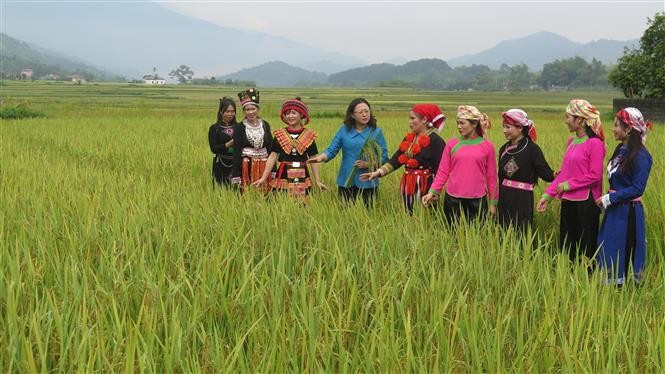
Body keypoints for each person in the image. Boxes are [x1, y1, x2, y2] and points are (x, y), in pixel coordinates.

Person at [537, 99, 605, 262]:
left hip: (586, 202)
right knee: (568, 245)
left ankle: (588, 279)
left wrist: (568, 185)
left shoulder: (595, 144)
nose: (565, 120)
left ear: (580, 120)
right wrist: (547, 196)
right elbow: (563, 173)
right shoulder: (571, 142)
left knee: (586, 246)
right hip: (568, 201)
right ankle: (568, 278)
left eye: (568, 117)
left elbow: (595, 175)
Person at [596, 107, 653, 285]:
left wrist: (610, 198)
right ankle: (609, 285)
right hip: (614, 210)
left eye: (616, 125)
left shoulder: (642, 156)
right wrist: (608, 198)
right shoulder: (620, 150)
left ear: (628, 129)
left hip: (628, 213)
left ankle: (624, 287)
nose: (613, 129)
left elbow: (637, 188)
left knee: (623, 247)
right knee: (608, 245)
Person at [360, 104, 446, 214]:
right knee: (408, 215)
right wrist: (378, 172)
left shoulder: (436, 141)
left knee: (426, 217)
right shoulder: (409, 139)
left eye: (412, 118)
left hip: (426, 186)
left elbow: (441, 169)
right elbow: (397, 159)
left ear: (424, 119)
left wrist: (435, 192)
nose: (410, 122)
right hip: (408, 185)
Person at [422, 105, 498, 222]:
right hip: (453, 199)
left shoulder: (487, 147)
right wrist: (432, 191)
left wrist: (493, 203)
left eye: (462, 123)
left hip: (477, 199)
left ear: (474, 124)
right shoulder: (452, 144)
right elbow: (443, 171)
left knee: (476, 236)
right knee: (452, 234)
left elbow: (492, 177)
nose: (459, 127)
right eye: (457, 123)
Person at [308, 98, 388, 207]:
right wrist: (320, 158)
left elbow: (384, 157)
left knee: (370, 212)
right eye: (361, 112)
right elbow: (332, 150)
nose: (365, 114)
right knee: (344, 212)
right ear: (352, 115)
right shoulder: (344, 130)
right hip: (346, 179)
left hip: (368, 180)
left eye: (367, 111)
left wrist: (368, 164)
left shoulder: (376, 132)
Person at [253, 97, 326, 198]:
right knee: (278, 203)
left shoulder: (309, 136)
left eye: (293, 113)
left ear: (301, 114)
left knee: (302, 205)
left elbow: (313, 159)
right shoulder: (280, 135)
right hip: (283, 174)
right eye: (287, 113)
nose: (290, 116)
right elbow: (273, 156)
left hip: (302, 174)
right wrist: (263, 178)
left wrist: (317, 180)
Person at [497, 109, 555, 231]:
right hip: (504, 196)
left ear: (520, 128)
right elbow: (500, 176)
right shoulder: (503, 149)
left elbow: (545, 173)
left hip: (522, 198)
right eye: (504, 127)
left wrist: (557, 174)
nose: (504, 130)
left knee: (521, 231)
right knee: (503, 230)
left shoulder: (532, 149)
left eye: (508, 127)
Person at [231, 88, 274, 191]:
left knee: (266, 193)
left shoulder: (265, 125)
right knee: (247, 192)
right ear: (244, 111)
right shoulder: (239, 127)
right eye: (247, 109)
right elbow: (236, 152)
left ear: (258, 109)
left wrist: (273, 170)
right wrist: (236, 175)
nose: (250, 112)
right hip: (246, 166)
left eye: (253, 109)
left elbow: (271, 149)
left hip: (264, 166)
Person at [208, 97, 237, 187]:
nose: (230, 114)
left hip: (236, 164)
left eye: (232, 111)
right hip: (220, 164)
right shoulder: (215, 128)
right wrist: (229, 144)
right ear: (221, 112)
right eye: (227, 111)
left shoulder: (239, 127)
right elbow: (214, 149)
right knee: (219, 189)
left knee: (236, 191)